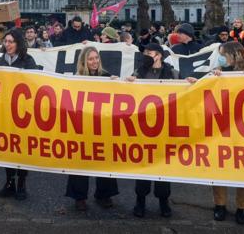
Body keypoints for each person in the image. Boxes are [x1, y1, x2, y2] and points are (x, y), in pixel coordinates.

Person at [201, 42, 244, 225]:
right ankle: (220, 205)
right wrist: (213, 77)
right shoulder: (216, 71)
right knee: (219, 167)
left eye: (223, 54)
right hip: (221, 127)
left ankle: (242, 207)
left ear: (233, 54)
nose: (220, 58)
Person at [126, 43, 179, 218]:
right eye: (145, 52)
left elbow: (184, 93)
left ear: (159, 55)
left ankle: (163, 202)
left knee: (163, 167)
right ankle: (140, 200)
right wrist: (129, 82)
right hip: (143, 128)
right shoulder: (139, 72)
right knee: (144, 167)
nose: (146, 55)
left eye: (150, 53)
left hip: (164, 129)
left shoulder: (172, 73)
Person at [65, 46, 119, 211]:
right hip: (83, 126)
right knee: (81, 161)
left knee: (103, 160)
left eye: (96, 58)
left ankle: (104, 194)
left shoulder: (107, 76)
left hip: (102, 127)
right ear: (84, 62)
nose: (94, 62)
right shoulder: (77, 79)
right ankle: (79, 197)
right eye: (90, 59)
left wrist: (120, 83)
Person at [0, 29, 37, 201]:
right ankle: (9, 181)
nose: (8, 45)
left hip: (22, 113)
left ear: (18, 43)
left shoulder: (28, 61)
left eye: (11, 41)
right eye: (6, 41)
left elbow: (35, 84)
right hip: (5, 111)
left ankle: (21, 183)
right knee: (7, 147)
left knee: (21, 148)